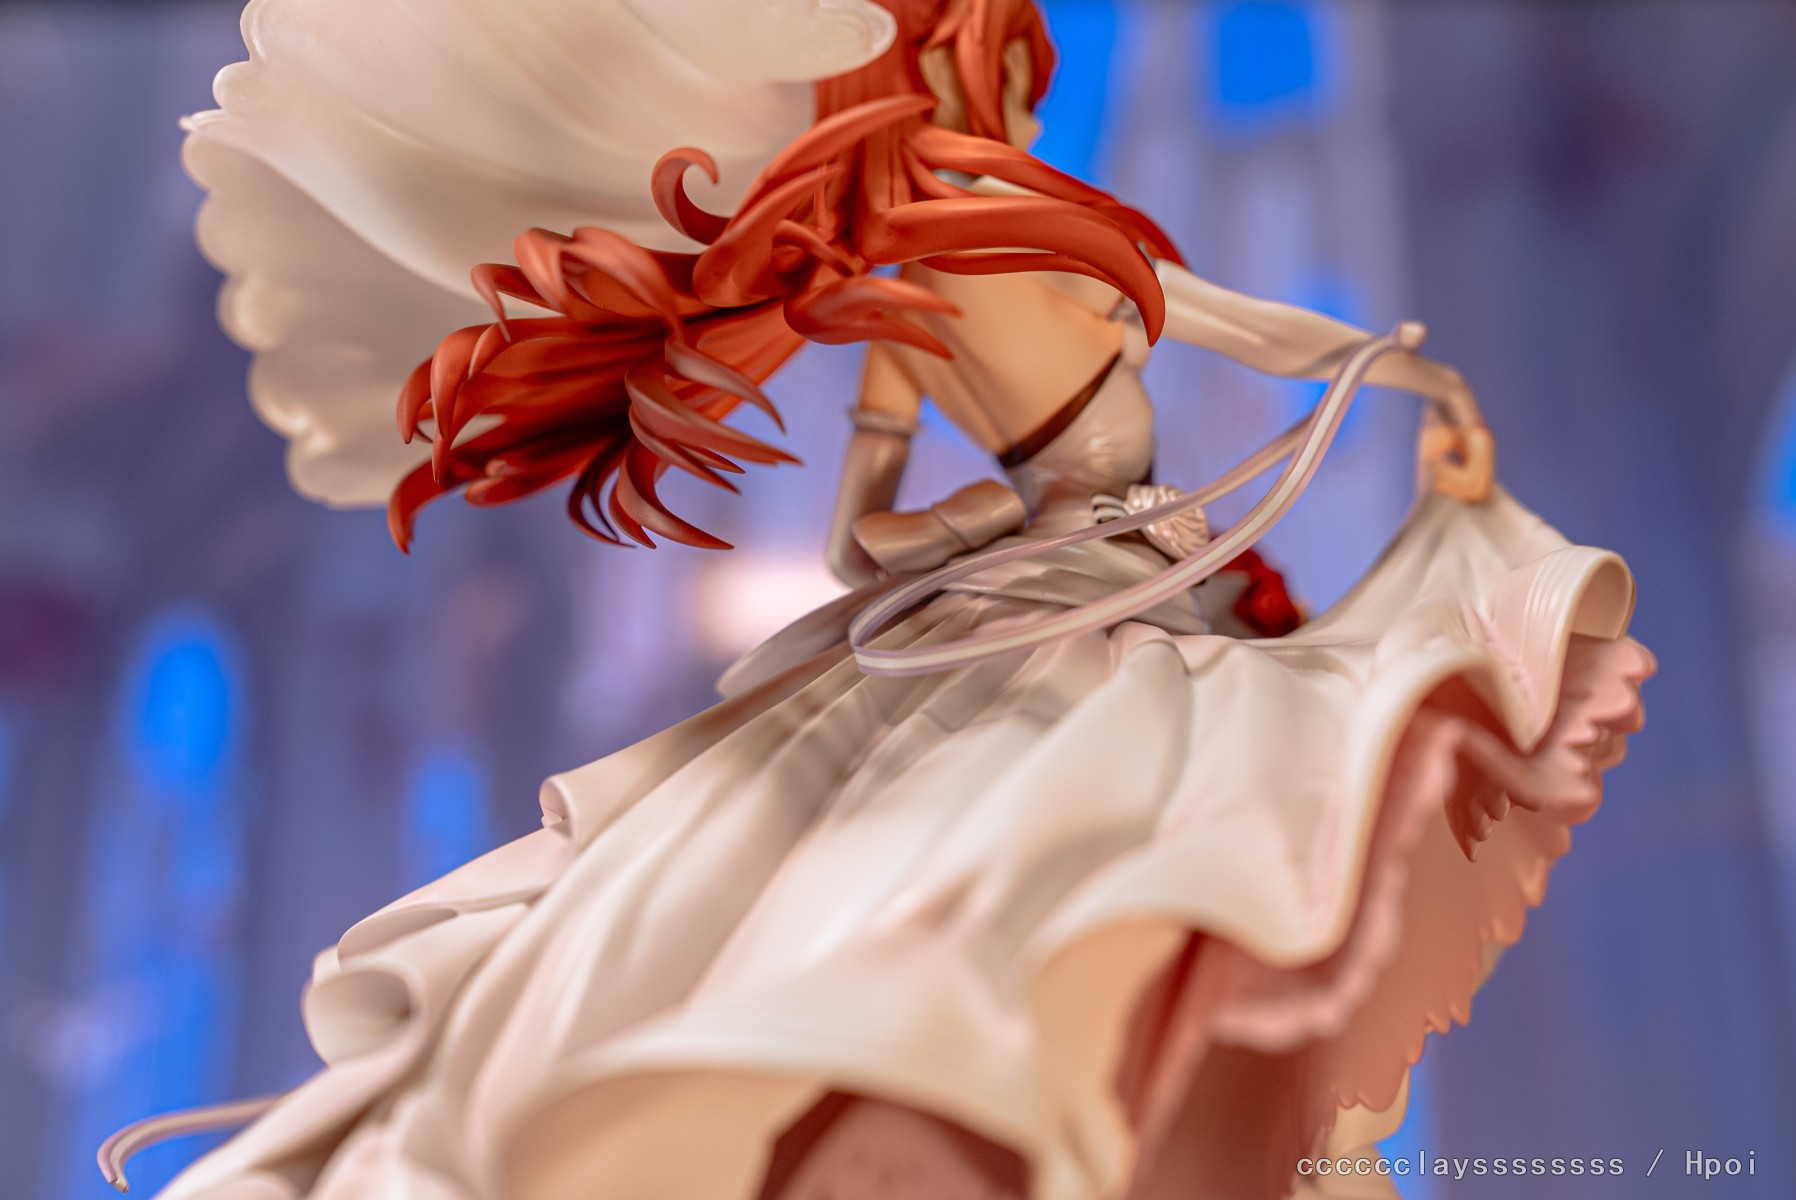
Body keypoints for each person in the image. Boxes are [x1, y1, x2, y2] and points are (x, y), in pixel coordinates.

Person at [105, 1, 1653, 1197]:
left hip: (1139, 585)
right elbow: (869, 533)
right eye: (1014, 58)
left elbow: (1219, 330)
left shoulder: (1006, 246)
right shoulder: (937, 264)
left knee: (1188, 892)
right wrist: (1007, 535)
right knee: (1081, 890)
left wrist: (1395, 375)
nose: (1032, 86)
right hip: (1077, 605)